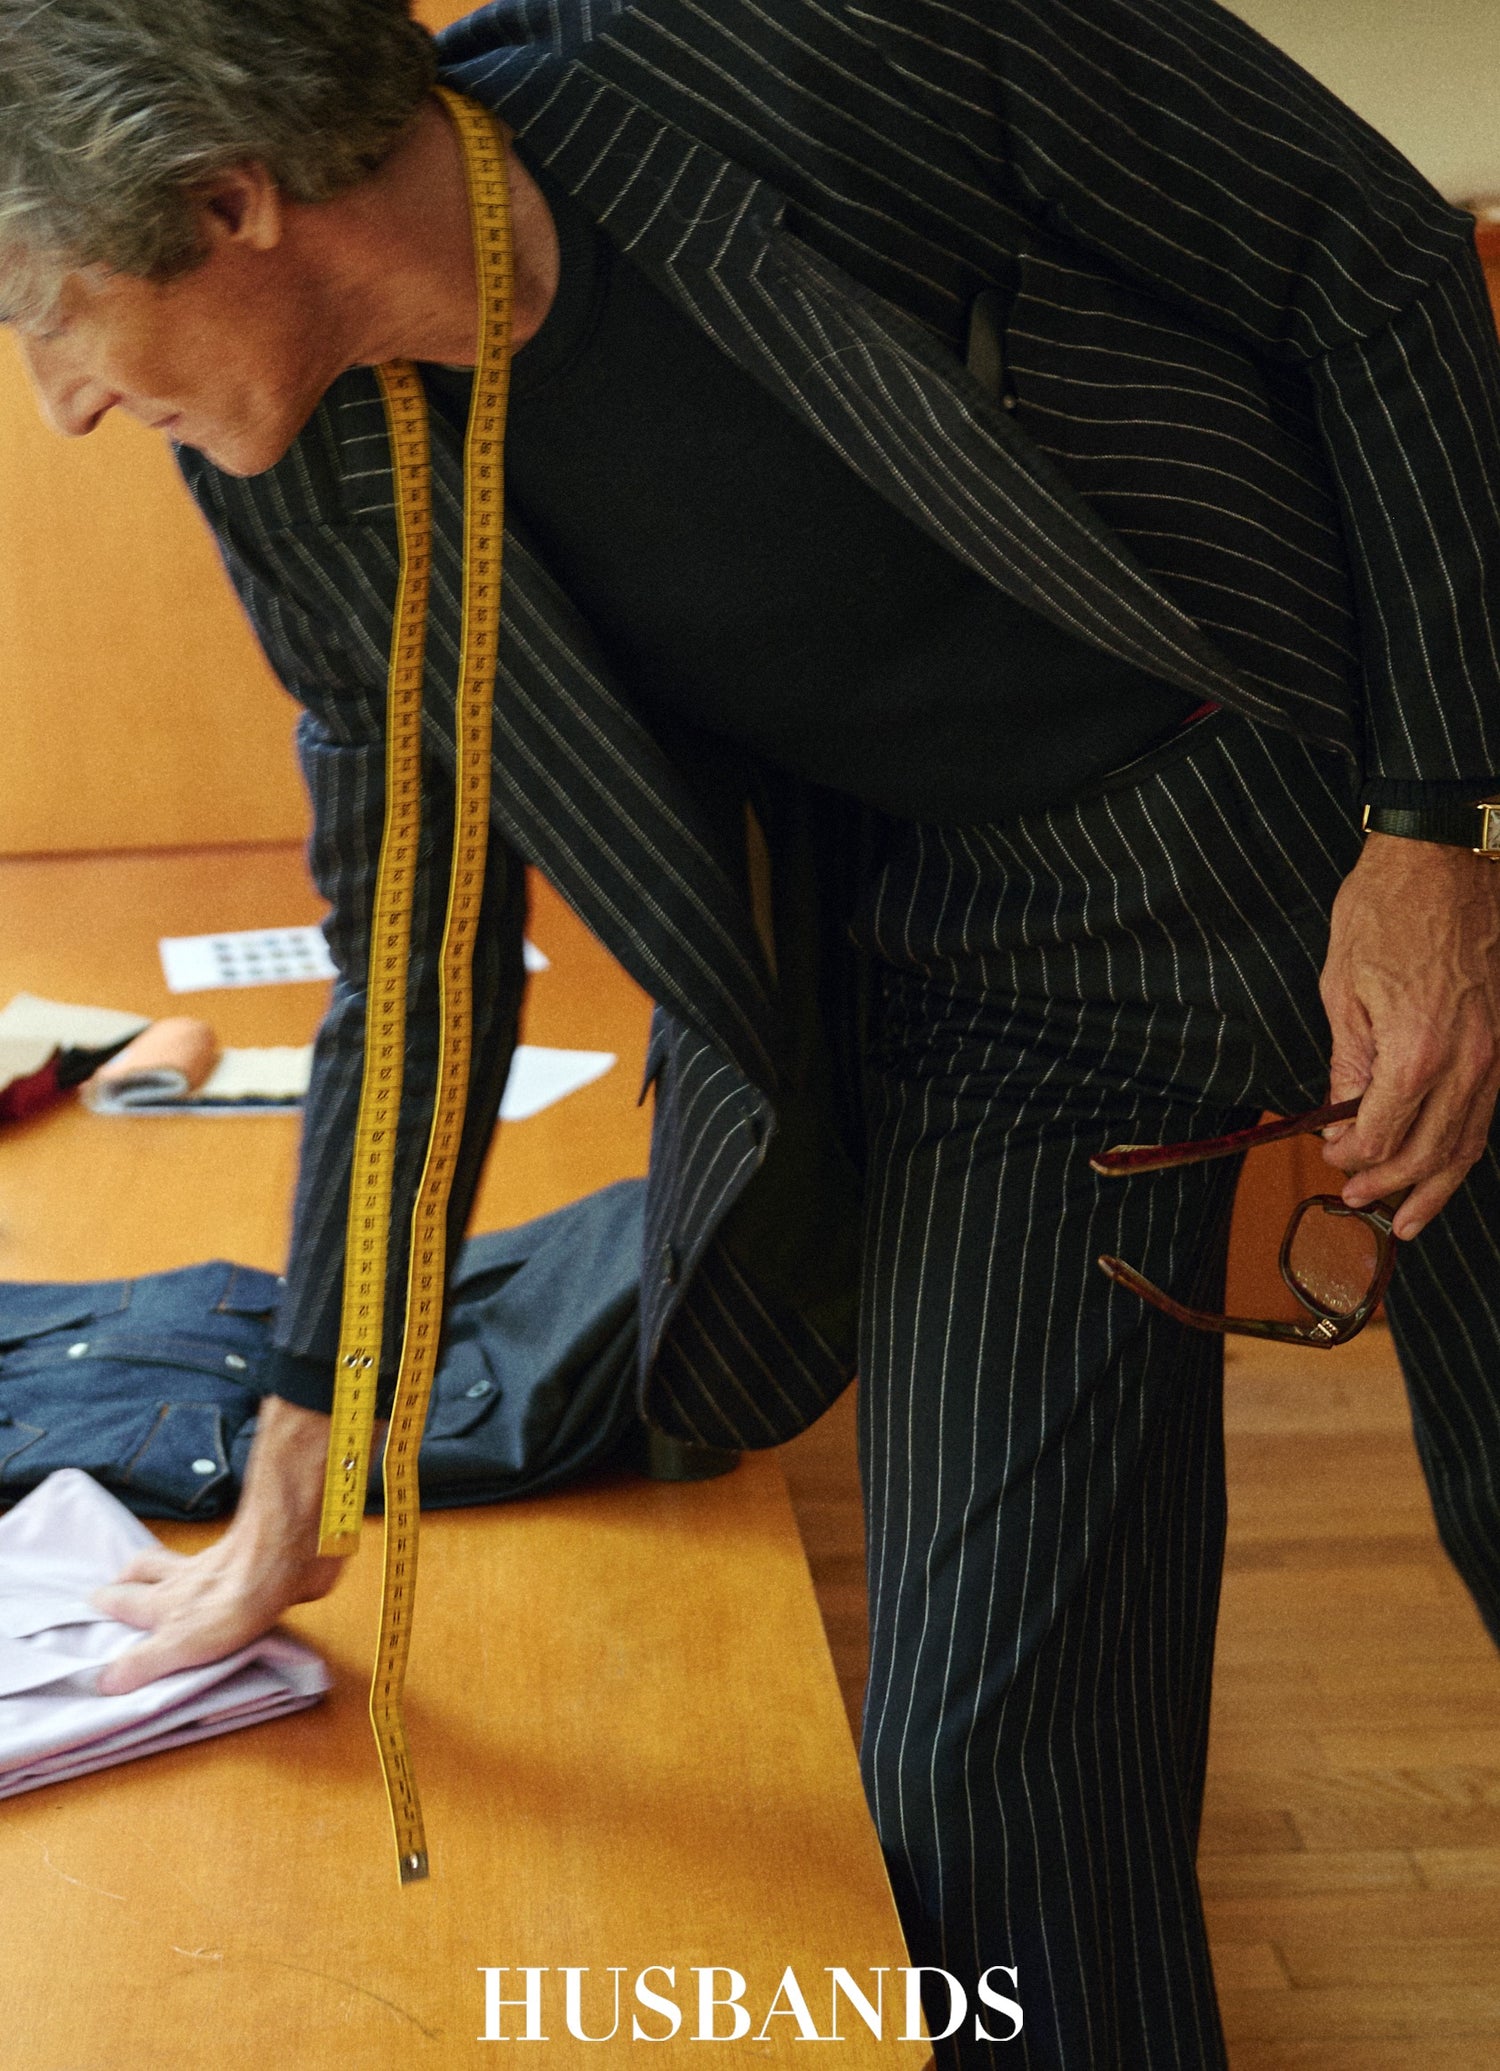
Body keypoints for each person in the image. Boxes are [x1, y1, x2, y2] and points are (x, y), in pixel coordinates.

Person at [5, 1, 1500, 2062]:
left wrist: (1443, 827)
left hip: (1371, 798)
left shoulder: (804, 43)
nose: (64, 401)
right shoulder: (307, 471)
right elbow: (417, 935)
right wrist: (308, 1426)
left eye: (48, 314)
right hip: (1001, 982)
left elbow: (1383, 267)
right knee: (986, 1780)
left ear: (232, 201)